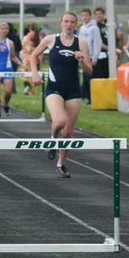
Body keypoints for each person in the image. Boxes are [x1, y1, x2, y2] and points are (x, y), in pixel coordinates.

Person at [30, 11, 92, 178]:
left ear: (76, 25)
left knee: (68, 132)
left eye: (72, 22)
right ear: (61, 23)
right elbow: (33, 56)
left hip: (73, 90)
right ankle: (52, 139)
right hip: (54, 88)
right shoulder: (50, 39)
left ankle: (61, 164)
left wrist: (82, 61)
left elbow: (89, 71)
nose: (69, 24)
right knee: (60, 121)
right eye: (66, 21)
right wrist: (34, 74)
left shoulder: (82, 43)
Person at [78, 9, 102, 104]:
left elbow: (97, 43)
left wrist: (95, 57)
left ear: (90, 16)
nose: (85, 17)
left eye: (86, 15)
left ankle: (93, 99)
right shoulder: (82, 28)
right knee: (85, 78)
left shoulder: (94, 28)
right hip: (84, 57)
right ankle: (86, 97)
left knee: (91, 79)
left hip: (91, 57)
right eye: (83, 15)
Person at [20, 24, 41, 95]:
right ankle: (31, 89)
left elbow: (25, 48)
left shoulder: (26, 37)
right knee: (33, 74)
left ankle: (27, 87)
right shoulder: (38, 37)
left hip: (27, 59)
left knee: (25, 74)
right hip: (35, 59)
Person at [94, 7, 109, 79]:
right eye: (96, 14)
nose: (98, 16)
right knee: (102, 75)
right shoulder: (95, 27)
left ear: (103, 14)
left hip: (111, 53)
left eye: (100, 14)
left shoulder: (109, 23)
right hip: (101, 54)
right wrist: (110, 49)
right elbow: (98, 42)